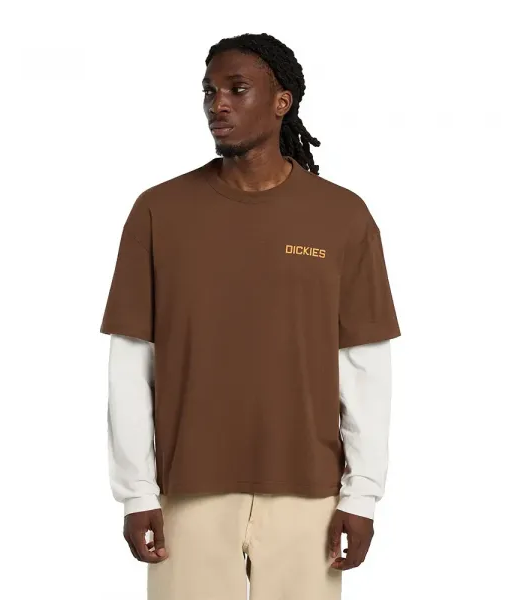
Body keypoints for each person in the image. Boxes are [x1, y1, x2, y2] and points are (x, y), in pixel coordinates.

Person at [100, 32, 401, 600]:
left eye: (237, 89)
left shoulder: (342, 216)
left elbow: (364, 367)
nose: (218, 104)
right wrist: (136, 491)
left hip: (309, 494)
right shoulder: (158, 211)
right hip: (187, 490)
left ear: (282, 101)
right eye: (209, 91)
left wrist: (361, 496)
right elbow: (131, 362)